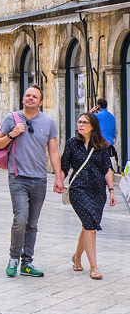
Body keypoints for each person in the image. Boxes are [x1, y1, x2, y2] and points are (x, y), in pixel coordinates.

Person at [0, 85, 63, 278]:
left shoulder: (48, 122)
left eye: (35, 96)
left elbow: (53, 151)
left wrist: (58, 176)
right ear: (23, 99)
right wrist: (11, 134)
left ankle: (27, 262)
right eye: (28, 95)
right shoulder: (11, 118)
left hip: (39, 179)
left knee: (32, 223)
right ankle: (14, 258)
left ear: (40, 102)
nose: (30, 98)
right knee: (20, 218)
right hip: (18, 177)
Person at [58, 112, 116, 280]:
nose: (81, 125)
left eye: (85, 122)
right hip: (79, 189)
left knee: (87, 226)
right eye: (79, 122)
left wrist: (111, 190)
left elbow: (107, 169)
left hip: (98, 191)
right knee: (90, 226)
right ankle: (94, 268)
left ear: (93, 126)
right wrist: (59, 181)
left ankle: (77, 257)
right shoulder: (71, 144)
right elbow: (64, 166)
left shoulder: (103, 145)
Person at [92, 99, 118, 170]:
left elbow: (87, 120)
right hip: (110, 142)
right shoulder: (112, 116)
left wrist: (92, 112)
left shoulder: (98, 115)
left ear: (98, 106)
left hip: (100, 142)